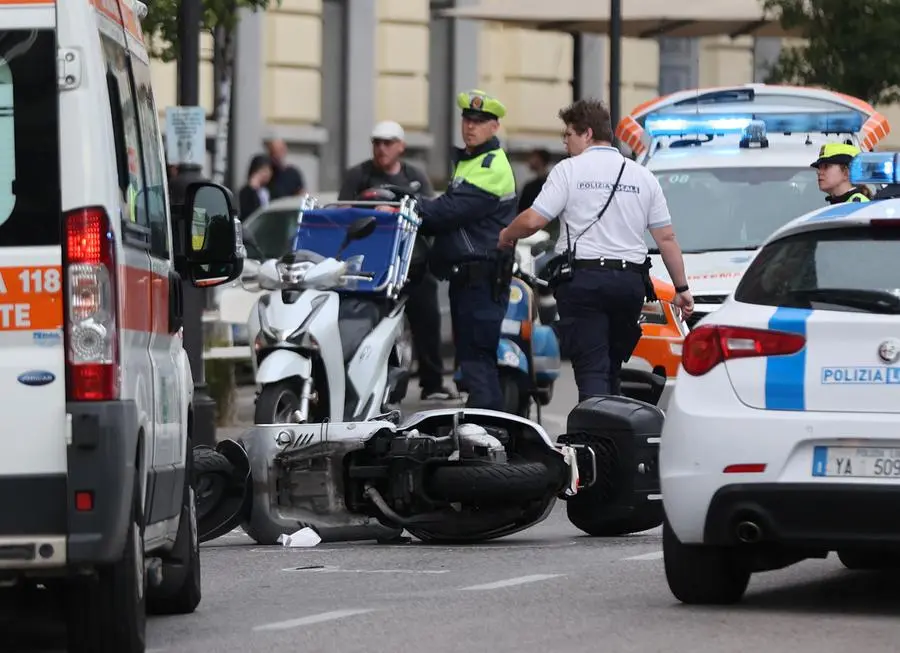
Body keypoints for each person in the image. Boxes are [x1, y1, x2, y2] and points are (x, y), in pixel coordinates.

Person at [498, 98, 693, 401]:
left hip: (584, 283)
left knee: (591, 370)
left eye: (569, 135)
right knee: (611, 368)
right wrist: (682, 288)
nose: (565, 142)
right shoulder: (642, 176)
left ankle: (593, 441)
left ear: (587, 134)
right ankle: (612, 437)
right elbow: (666, 238)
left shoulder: (569, 171)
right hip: (629, 285)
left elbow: (535, 219)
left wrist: (507, 235)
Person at [338, 121, 456, 401]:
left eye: (388, 143)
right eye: (377, 142)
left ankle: (433, 382)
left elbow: (430, 211)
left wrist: (395, 208)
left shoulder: (415, 176)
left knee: (426, 319)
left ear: (400, 146)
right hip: (372, 265)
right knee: (372, 324)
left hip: (411, 261)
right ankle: (374, 383)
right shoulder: (359, 176)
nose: (381, 148)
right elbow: (343, 214)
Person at [416, 89, 517, 411]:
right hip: (469, 277)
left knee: (478, 361)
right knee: (471, 361)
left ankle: (492, 434)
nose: (470, 126)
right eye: (467, 119)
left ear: (494, 127)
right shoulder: (471, 161)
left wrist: (412, 204)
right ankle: (484, 428)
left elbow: (449, 211)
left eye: (480, 121)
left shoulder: (490, 166)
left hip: (482, 277)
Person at [238, 154, 273, 221]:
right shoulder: (246, 191)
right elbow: (249, 213)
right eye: (264, 170)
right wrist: (252, 189)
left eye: (269, 170)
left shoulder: (269, 190)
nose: (268, 173)